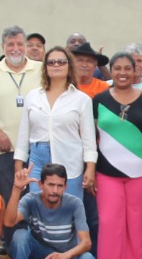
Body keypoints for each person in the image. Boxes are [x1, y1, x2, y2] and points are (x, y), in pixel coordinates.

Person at [93, 52, 142, 259]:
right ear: (111, 71)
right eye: (117, 68)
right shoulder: (98, 100)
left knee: (138, 227)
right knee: (110, 226)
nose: (122, 73)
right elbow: (90, 138)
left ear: (135, 71)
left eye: (127, 68)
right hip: (107, 173)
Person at [5, 163, 95, 259]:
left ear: (66, 187)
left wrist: (65, 255)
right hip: (40, 258)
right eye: (50, 185)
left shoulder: (74, 203)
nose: (55, 190)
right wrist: (16, 189)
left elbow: (86, 243)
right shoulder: (30, 200)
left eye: (60, 186)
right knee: (20, 236)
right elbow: (9, 222)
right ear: (40, 185)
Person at [14, 46, 97, 201]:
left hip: (69, 160)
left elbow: (88, 139)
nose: (56, 65)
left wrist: (90, 167)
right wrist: (18, 165)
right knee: (37, 209)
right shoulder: (33, 96)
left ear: (69, 66)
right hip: (37, 160)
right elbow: (24, 133)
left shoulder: (81, 99)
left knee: (68, 209)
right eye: (51, 62)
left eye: (61, 61)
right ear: (45, 68)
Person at [0, 25, 42, 223]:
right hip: (4, 150)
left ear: (25, 46)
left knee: (36, 200)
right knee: (10, 199)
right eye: (10, 44)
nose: (15, 48)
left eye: (19, 44)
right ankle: (13, 249)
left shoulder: (40, 70)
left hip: (36, 149)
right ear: (2, 46)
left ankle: (34, 247)